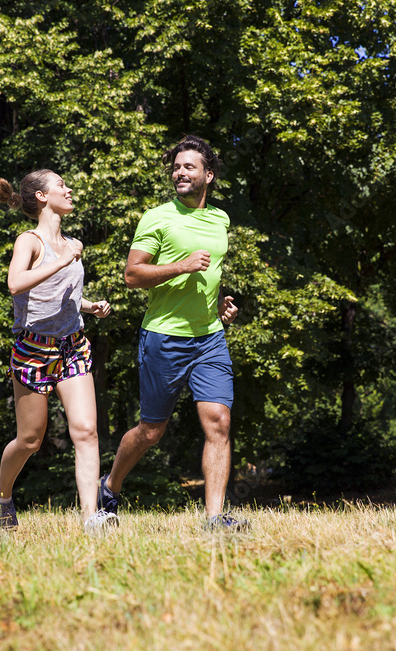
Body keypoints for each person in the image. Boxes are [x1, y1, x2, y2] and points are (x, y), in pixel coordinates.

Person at [97, 135, 246, 531]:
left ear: (208, 175)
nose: (180, 172)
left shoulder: (221, 219)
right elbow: (132, 275)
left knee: (219, 421)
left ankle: (215, 519)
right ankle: (110, 487)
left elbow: (209, 275)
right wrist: (181, 265)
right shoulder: (157, 217)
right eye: (177, 167)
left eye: (189, 167)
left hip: (210, 337)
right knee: (151, 431)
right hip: (164, 337)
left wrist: (218, 307)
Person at [0, 169, 118, 534]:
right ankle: (3, 492)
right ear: (42, 196)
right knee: (30, 439)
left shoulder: (71, 242)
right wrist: (61, 261)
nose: (69, 188)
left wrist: (89, 307)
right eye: (61, 184)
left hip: (72, 346)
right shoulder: (29, 241)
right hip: (33, 350)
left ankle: (92, 517)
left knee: (87, 431)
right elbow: (15, 284)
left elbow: (61, 296)